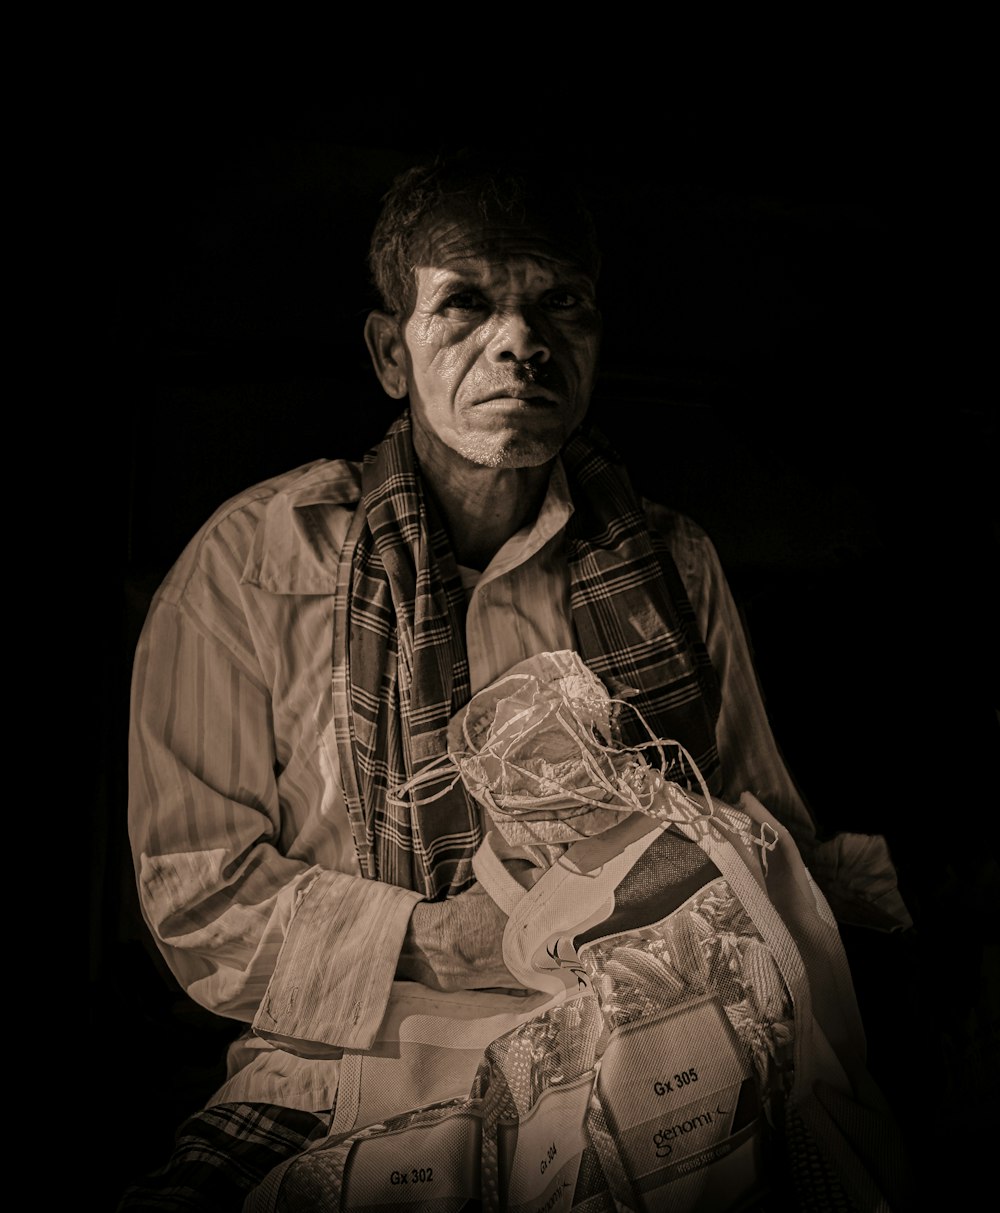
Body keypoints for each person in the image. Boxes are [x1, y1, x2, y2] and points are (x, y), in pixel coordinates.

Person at [120, 151, 908, 1211]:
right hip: (337, 1068)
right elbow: (197, 890)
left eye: (559, 304)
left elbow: (752, 833)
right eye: (466, 305)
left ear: (593, 335)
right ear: (389, 352)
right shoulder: (257, 563)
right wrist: (451, 939)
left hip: (632, 1046)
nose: (521, 342)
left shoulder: (671, 567)